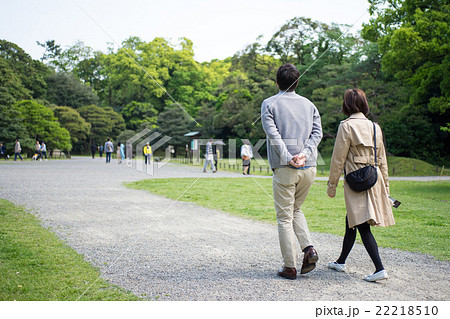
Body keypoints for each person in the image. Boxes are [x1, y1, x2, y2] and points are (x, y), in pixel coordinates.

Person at [261, 63, 322, 280]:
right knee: (295, 210)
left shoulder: (269, 104)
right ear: (297, 82)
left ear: (277, 82)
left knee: (284, 218)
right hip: (309, 167)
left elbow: (273, 134)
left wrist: (289, 157)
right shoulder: (310, 105)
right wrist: (304, 154)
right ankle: (309, 249)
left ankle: (290, 267)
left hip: (286, 168)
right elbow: (317, 134)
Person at [326, 88, 395, 282]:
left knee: (363, 224)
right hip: (374, 178)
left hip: (355, 179)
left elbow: (338, 159)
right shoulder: (375, 127)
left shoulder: (346, 126)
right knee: (352, 220)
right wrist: (386, 189)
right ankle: (340, 261)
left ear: (347, 105)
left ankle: (380, 268)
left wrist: (332, 185)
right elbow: (382, 161)